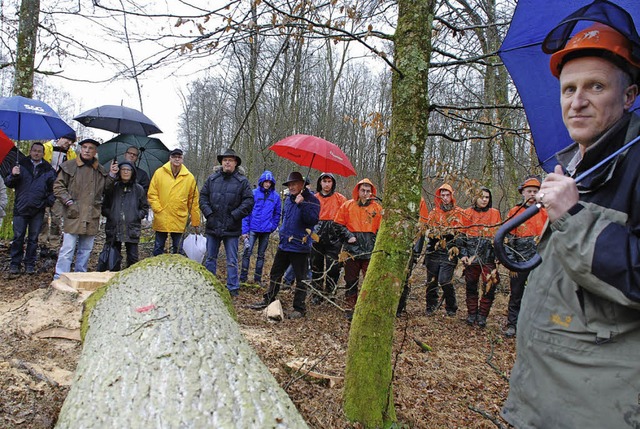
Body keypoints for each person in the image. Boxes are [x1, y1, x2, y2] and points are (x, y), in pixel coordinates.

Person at [501, 19, 640, 428]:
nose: (577, 101)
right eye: (569, 89)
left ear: (630, 95)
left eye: (596, 86)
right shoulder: (578, 168)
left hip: (598, 409)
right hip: (546, 397)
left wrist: (573, 217)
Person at [250, 172, 320, 319]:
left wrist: (303, 204)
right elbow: (285, 218)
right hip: (284, 244)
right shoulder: (288, 199)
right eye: (289, 184)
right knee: (275, 273)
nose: (292, 187)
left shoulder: (312, 200)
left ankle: (299, 309)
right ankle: (268, 298)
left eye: (294, 184)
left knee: (301, 278)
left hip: (300, 246)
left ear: (302, 184)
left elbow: (312, 220)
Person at [53, 138, 118, 279]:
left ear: (95, 151)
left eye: (91, 148)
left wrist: (112, 174)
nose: (87, 150)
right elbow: (58, 187)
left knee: (86, 250)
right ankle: (59, 277)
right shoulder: (69, 166)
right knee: (67, 249)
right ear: (80, 149)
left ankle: (79, 277)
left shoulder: (100, 170)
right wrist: (69, 202)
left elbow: (106, 189)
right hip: (73, 214)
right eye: (85, 147)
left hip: (91, 215)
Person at [199, 148, 254, 296]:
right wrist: (209, 214)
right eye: (225, 160)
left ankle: (232, 289)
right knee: (210, 258)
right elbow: (203, 197)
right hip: (213, 226)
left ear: (236, 163)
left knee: (232, 260)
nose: (227, 162)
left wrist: (235, 216)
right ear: (221, 162)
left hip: (232, 227)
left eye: (230, 160)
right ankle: (210, 286)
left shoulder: (242, 181)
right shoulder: (212, 179)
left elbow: (249, 202)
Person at [503, 177, 547, 337]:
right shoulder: (514, 212)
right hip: (519, 260)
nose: (532, 194)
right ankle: (512, 324)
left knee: (539, 294)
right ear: (523, 193)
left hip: (539, 260)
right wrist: (511, 263)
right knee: (516, 294)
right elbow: (507, 240)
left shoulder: (545, 211)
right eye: (529, 191)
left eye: (535, 191)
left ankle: (534, 325)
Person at [333, 178, 383, 320]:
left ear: (372, 192)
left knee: (370, 280)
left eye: (368, 191)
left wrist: (376, 244)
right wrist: (348, 235)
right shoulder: (347, 205)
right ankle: (350, 306)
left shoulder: (377, 209)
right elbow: (337, 225)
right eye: (363, 190)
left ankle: (368, 307)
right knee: (350, 280)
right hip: (351, 250)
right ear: (358, 190)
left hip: (370, 251)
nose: (365, 193)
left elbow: (382, 230)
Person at [4, 142, 56, 275]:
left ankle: (30, 264)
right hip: (20, 207)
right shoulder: (21, 164)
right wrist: (14, 175)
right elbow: (9, 183)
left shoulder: (48, 170)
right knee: (18, 237)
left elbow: (54, 190)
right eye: (34, 150)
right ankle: (15, 263)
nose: (36, 153)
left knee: (33, 238)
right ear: (30, 151)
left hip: (38, 209)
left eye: (39, 151)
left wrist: (48, 202)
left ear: (43, 153)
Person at [459, 187, 501, 327]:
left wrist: (498, 255)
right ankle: (472, 314)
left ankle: (483, 315)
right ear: (475, 198)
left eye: (487, 197)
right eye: (481, 196)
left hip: (488, 255)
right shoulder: (466, 213)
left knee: (490, 285)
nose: (484, 199)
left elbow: (499, 237)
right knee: (471, 285)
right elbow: (460, 237)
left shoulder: (495, 213)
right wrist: (463, 254)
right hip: (471, 254)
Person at [148, 148, 201, 256]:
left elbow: (193, 201)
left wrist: (195, 221)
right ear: (170, 158)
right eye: (174, 157)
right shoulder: (159, 173)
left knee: (178, 249)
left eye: (179, 157)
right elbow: (152, 194)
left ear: (182, 159)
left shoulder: (189, 177)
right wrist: (158, 209)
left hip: (179, 218)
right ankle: (157, 270)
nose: (177, 159)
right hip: (162, 216)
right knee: (158, 247)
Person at [424, 184, 465, 317]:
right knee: (431, 281)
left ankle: (451, 306)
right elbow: (428, 232)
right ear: (439, 197)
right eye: (443, 195)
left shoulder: (458, 212)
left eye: (447, 195)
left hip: (449, 250)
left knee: (445, 280)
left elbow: (461, 234)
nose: (445, 198)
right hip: (434, 250)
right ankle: (431, 305)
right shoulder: (434, 212)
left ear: (452, 196)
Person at [101, 161, 149, 269]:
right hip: (114, 227)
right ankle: (113, 277)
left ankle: (132, 279)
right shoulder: (113, 187)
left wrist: (137, 215)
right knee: (113, 257)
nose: (126, 172)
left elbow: (145, 207)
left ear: (133, 172)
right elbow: (104, 206)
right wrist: (112, 214)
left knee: (132, 257)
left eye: (128, 170)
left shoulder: (138, 189)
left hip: (132, 228)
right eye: (123, 169)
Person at [310, 173, 347, 304]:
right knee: (316, 266)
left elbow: (345, 217)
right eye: (324, 181)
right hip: (317, 236)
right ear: (320, 183)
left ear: (332, 183)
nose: (326, 184)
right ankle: (317, 293)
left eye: (329, 181)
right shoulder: (314, 198)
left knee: (333, 267)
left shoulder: (340, 199)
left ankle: (331, 291)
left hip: (334, 237)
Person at [240, 170, 281, 286]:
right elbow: (246, 212)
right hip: (252, 229)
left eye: (269, 182)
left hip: (266, 230)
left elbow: (277, 213)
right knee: (247, 253)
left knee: (261, 256)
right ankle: (243, 278)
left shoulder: (276, 196)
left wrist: (272, 226)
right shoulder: (253, 193)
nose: (267, 184)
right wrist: (245, 230)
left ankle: (257, 280)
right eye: (265, 182)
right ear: (261, 182)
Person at [40, 132, 77, 252]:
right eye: (67, 141)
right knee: (43, 217)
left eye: (71, 143)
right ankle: (42, 243)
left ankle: (54, 245)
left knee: (56, 218)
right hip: (43, 188)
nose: (68, 144)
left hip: (59, 188)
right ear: (60, 138)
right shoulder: (46, 148)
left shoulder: (71, 154)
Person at [397, 196, 429, 316]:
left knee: (405, 278)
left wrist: (416, 252)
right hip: (394, 244)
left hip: (410, 246)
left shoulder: (418, 200)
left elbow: (422, 226)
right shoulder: (395, 197)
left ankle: (400, 307)